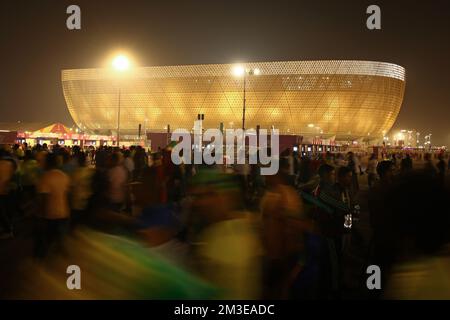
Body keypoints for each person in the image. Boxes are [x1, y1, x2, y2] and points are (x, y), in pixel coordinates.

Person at [34, 152, 71, 257]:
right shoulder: (64, 176)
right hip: (63, 213)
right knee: (60, 240)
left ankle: (48, 262)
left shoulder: (45, 177)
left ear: (47, 163)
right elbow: (67, 196)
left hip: (50, 214)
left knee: (48, 240)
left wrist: (39, 216)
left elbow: (42, 199)